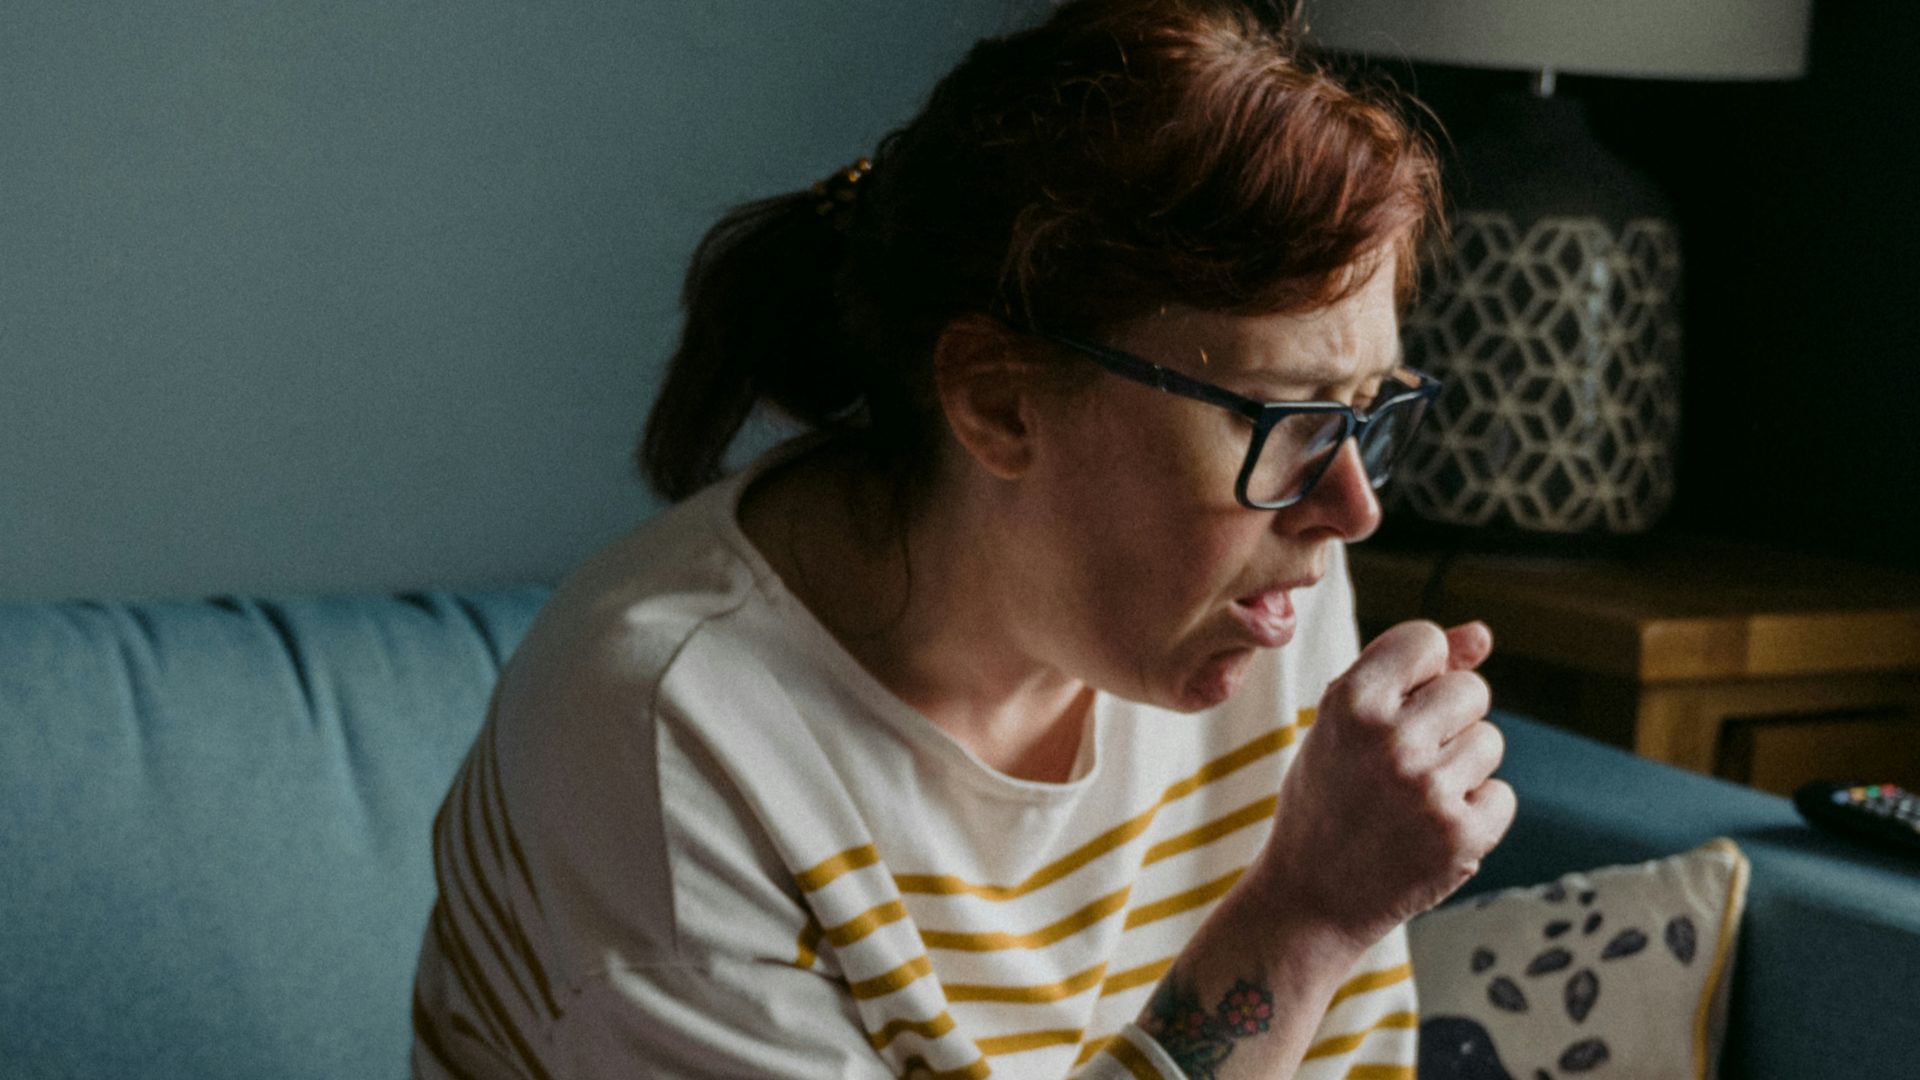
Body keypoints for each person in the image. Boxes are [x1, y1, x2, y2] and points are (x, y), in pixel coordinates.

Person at [410, 1, 1514, 1077]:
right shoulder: (670, 742)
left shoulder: (1262, 585)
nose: (1352, 507)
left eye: (1362, 410)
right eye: (1283, 415)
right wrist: (1306, 916)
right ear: (999, 402)